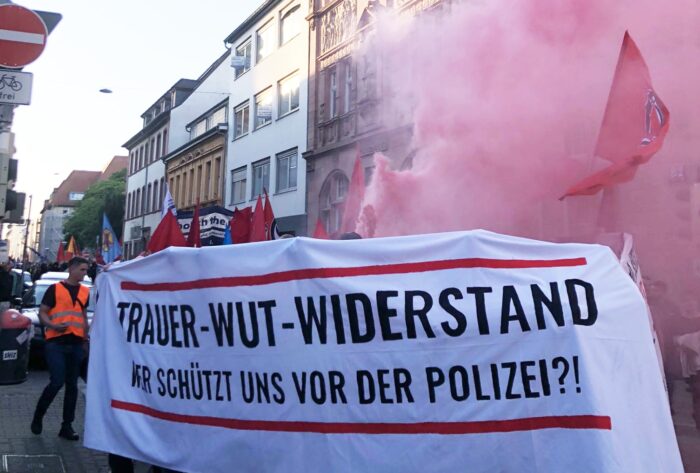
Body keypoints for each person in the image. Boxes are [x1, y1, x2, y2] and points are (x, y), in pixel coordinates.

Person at [30, 256, 91, 441]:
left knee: (72, 386)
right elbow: (42, 312)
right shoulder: (55, 289)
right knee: (57, 381)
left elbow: (82, 316)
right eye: (82, 269)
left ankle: (67, 426)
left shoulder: (85, 291)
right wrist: (53, 325)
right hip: (56, 342)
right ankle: (38, 416)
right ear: (71, 269)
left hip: (75, 344)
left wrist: (85, 340)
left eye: (86, 270)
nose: (85, 273)